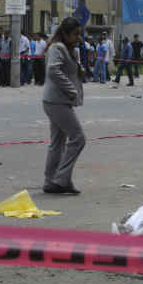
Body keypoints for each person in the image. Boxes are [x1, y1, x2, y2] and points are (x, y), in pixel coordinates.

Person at [42, 17, 85, 195]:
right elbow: (53, 70)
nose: (78, 38)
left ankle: (50, 180)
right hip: (57, 101)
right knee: (78, 138)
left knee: (58, 143)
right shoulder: (57, 48)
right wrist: (71, 90)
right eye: (75, 34)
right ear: (65, 34)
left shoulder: (68, 49)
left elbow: (66, 69)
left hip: (58, 101)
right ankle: (61, 179)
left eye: (79, 34)